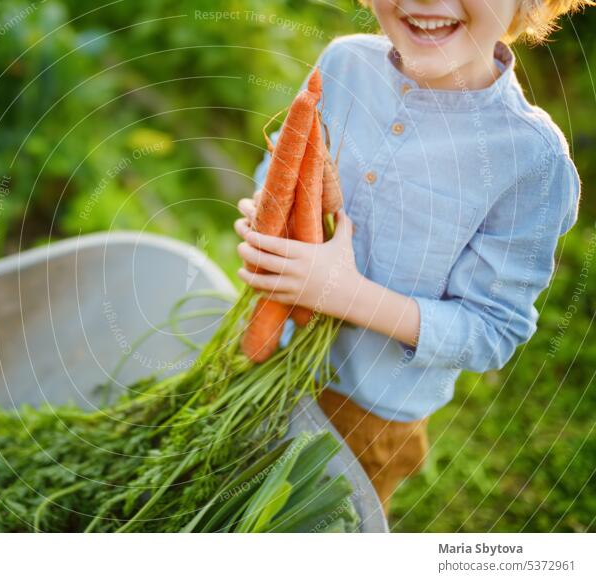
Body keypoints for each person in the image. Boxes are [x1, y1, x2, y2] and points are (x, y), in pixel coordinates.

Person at [234, 0, 587, 516]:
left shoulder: (531, 159)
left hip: (368, 414)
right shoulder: (344, 64)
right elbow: (279, 168)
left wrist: (344, 295)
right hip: (266, 353)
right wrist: (265, 218)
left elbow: (492, 330)